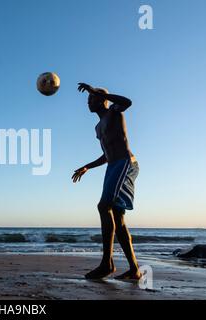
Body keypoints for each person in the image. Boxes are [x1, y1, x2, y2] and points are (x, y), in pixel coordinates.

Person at [72, 83, 141, 280]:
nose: (89, 102)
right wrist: (87, 166)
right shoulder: (97, 127)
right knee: (118, 217)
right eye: (88, 99)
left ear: (102, 100)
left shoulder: (114, 112)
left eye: (92, 98)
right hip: (113, 166)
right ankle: (134, 269)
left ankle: (106, 264)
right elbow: (106, 154)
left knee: (104, 206)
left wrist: (96, 91)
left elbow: (127, 102)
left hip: (125, 164)